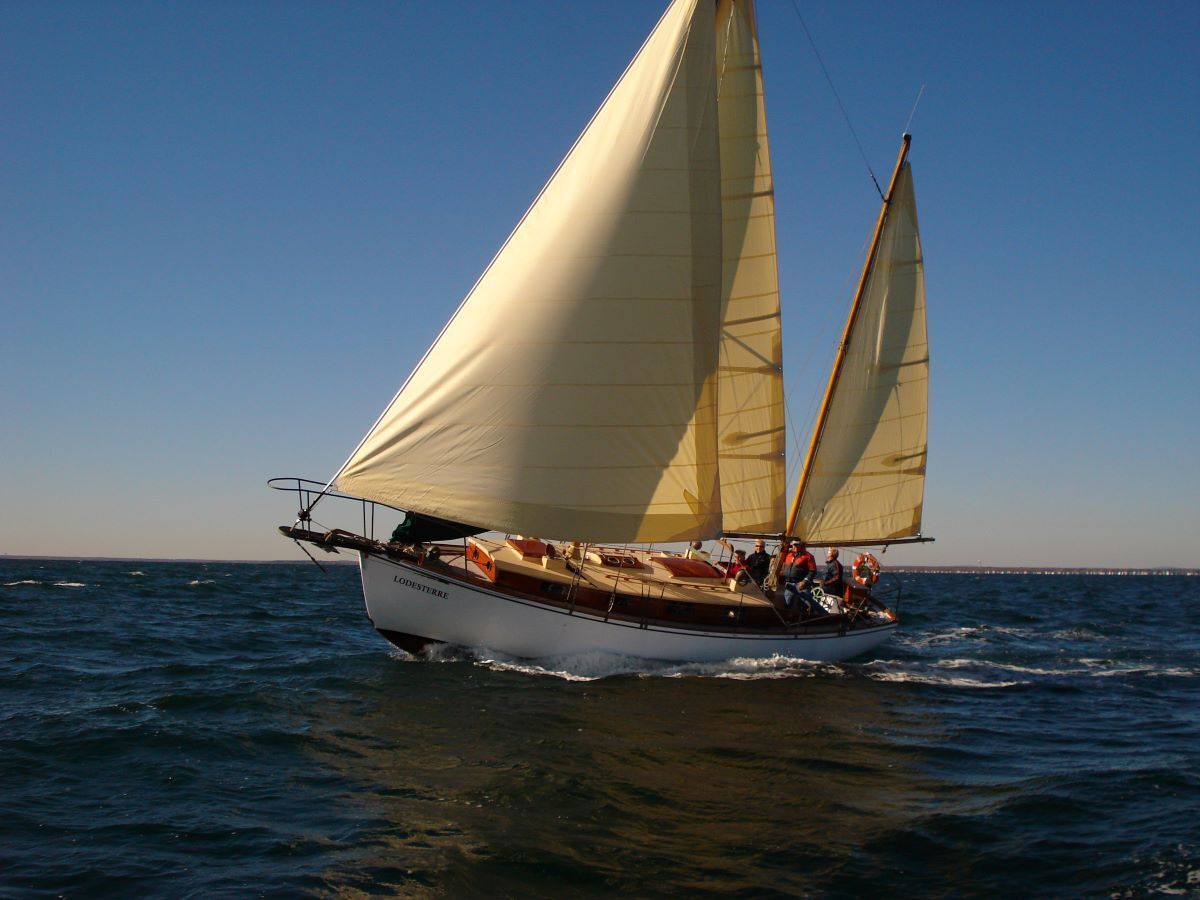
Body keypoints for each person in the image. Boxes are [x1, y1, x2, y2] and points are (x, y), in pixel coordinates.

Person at [780, 540, 817, 612]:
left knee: (807, 604)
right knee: (787, 604)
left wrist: (805, 581)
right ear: (792, 545)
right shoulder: (788, 554)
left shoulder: (808, 556)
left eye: (798, 545)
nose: (795, 546)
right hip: (789, 583)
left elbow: (812, 571)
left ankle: (809, 619)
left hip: (801, 584)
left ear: (801, 545)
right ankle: (788, 619)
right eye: (794, 545)